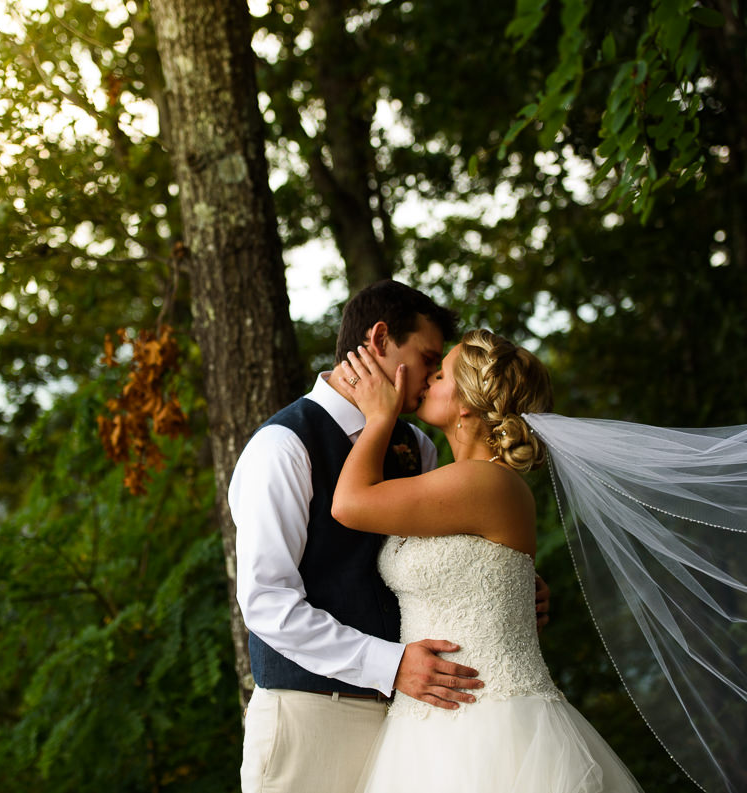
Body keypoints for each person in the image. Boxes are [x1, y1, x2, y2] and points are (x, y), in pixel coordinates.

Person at [230, 281, 552, 793]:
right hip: (313, 715)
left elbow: (446, 545)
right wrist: (390, 665)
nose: (429, 378)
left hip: (418, 723)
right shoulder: (283, 446)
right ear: (380, 340)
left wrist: (507, 583)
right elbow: (266, 602)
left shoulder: (414, 446)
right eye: (428, 359)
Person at [332, 329, 643, 793]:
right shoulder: (454, 478)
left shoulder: (484, 483)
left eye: (440, 374)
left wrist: (380, 416)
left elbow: (349, 504)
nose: (426, 379)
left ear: (466, 405)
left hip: (491, 721)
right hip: (430, 725)